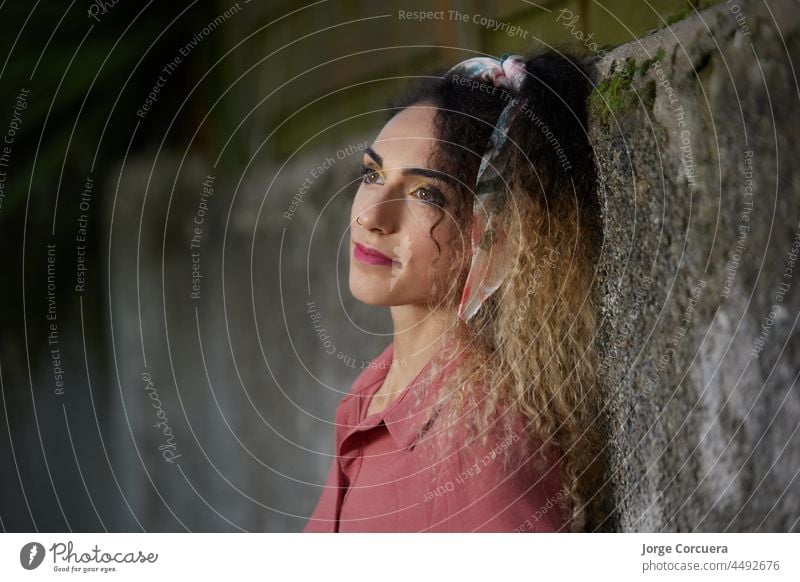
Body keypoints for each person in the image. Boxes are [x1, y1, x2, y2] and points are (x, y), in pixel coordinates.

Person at [304, 49, 608, 533]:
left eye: (426, 194)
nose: (369, 218)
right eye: (373, 174)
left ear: (497, 234)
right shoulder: (372, 395)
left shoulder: (479, 443)